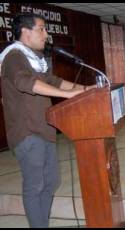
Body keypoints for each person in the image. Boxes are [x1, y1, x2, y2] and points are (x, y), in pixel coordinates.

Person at [0, 13, 91, 228]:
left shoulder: (36, 60)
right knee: (35, 185)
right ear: (25, 31)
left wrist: (86, 90)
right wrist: (67, 96)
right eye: (41, 29)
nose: (46, 34)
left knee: (51, 181)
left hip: (44, 129)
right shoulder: (14, 56)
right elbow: (26, 83)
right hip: (27, 132)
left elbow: (56, 82)